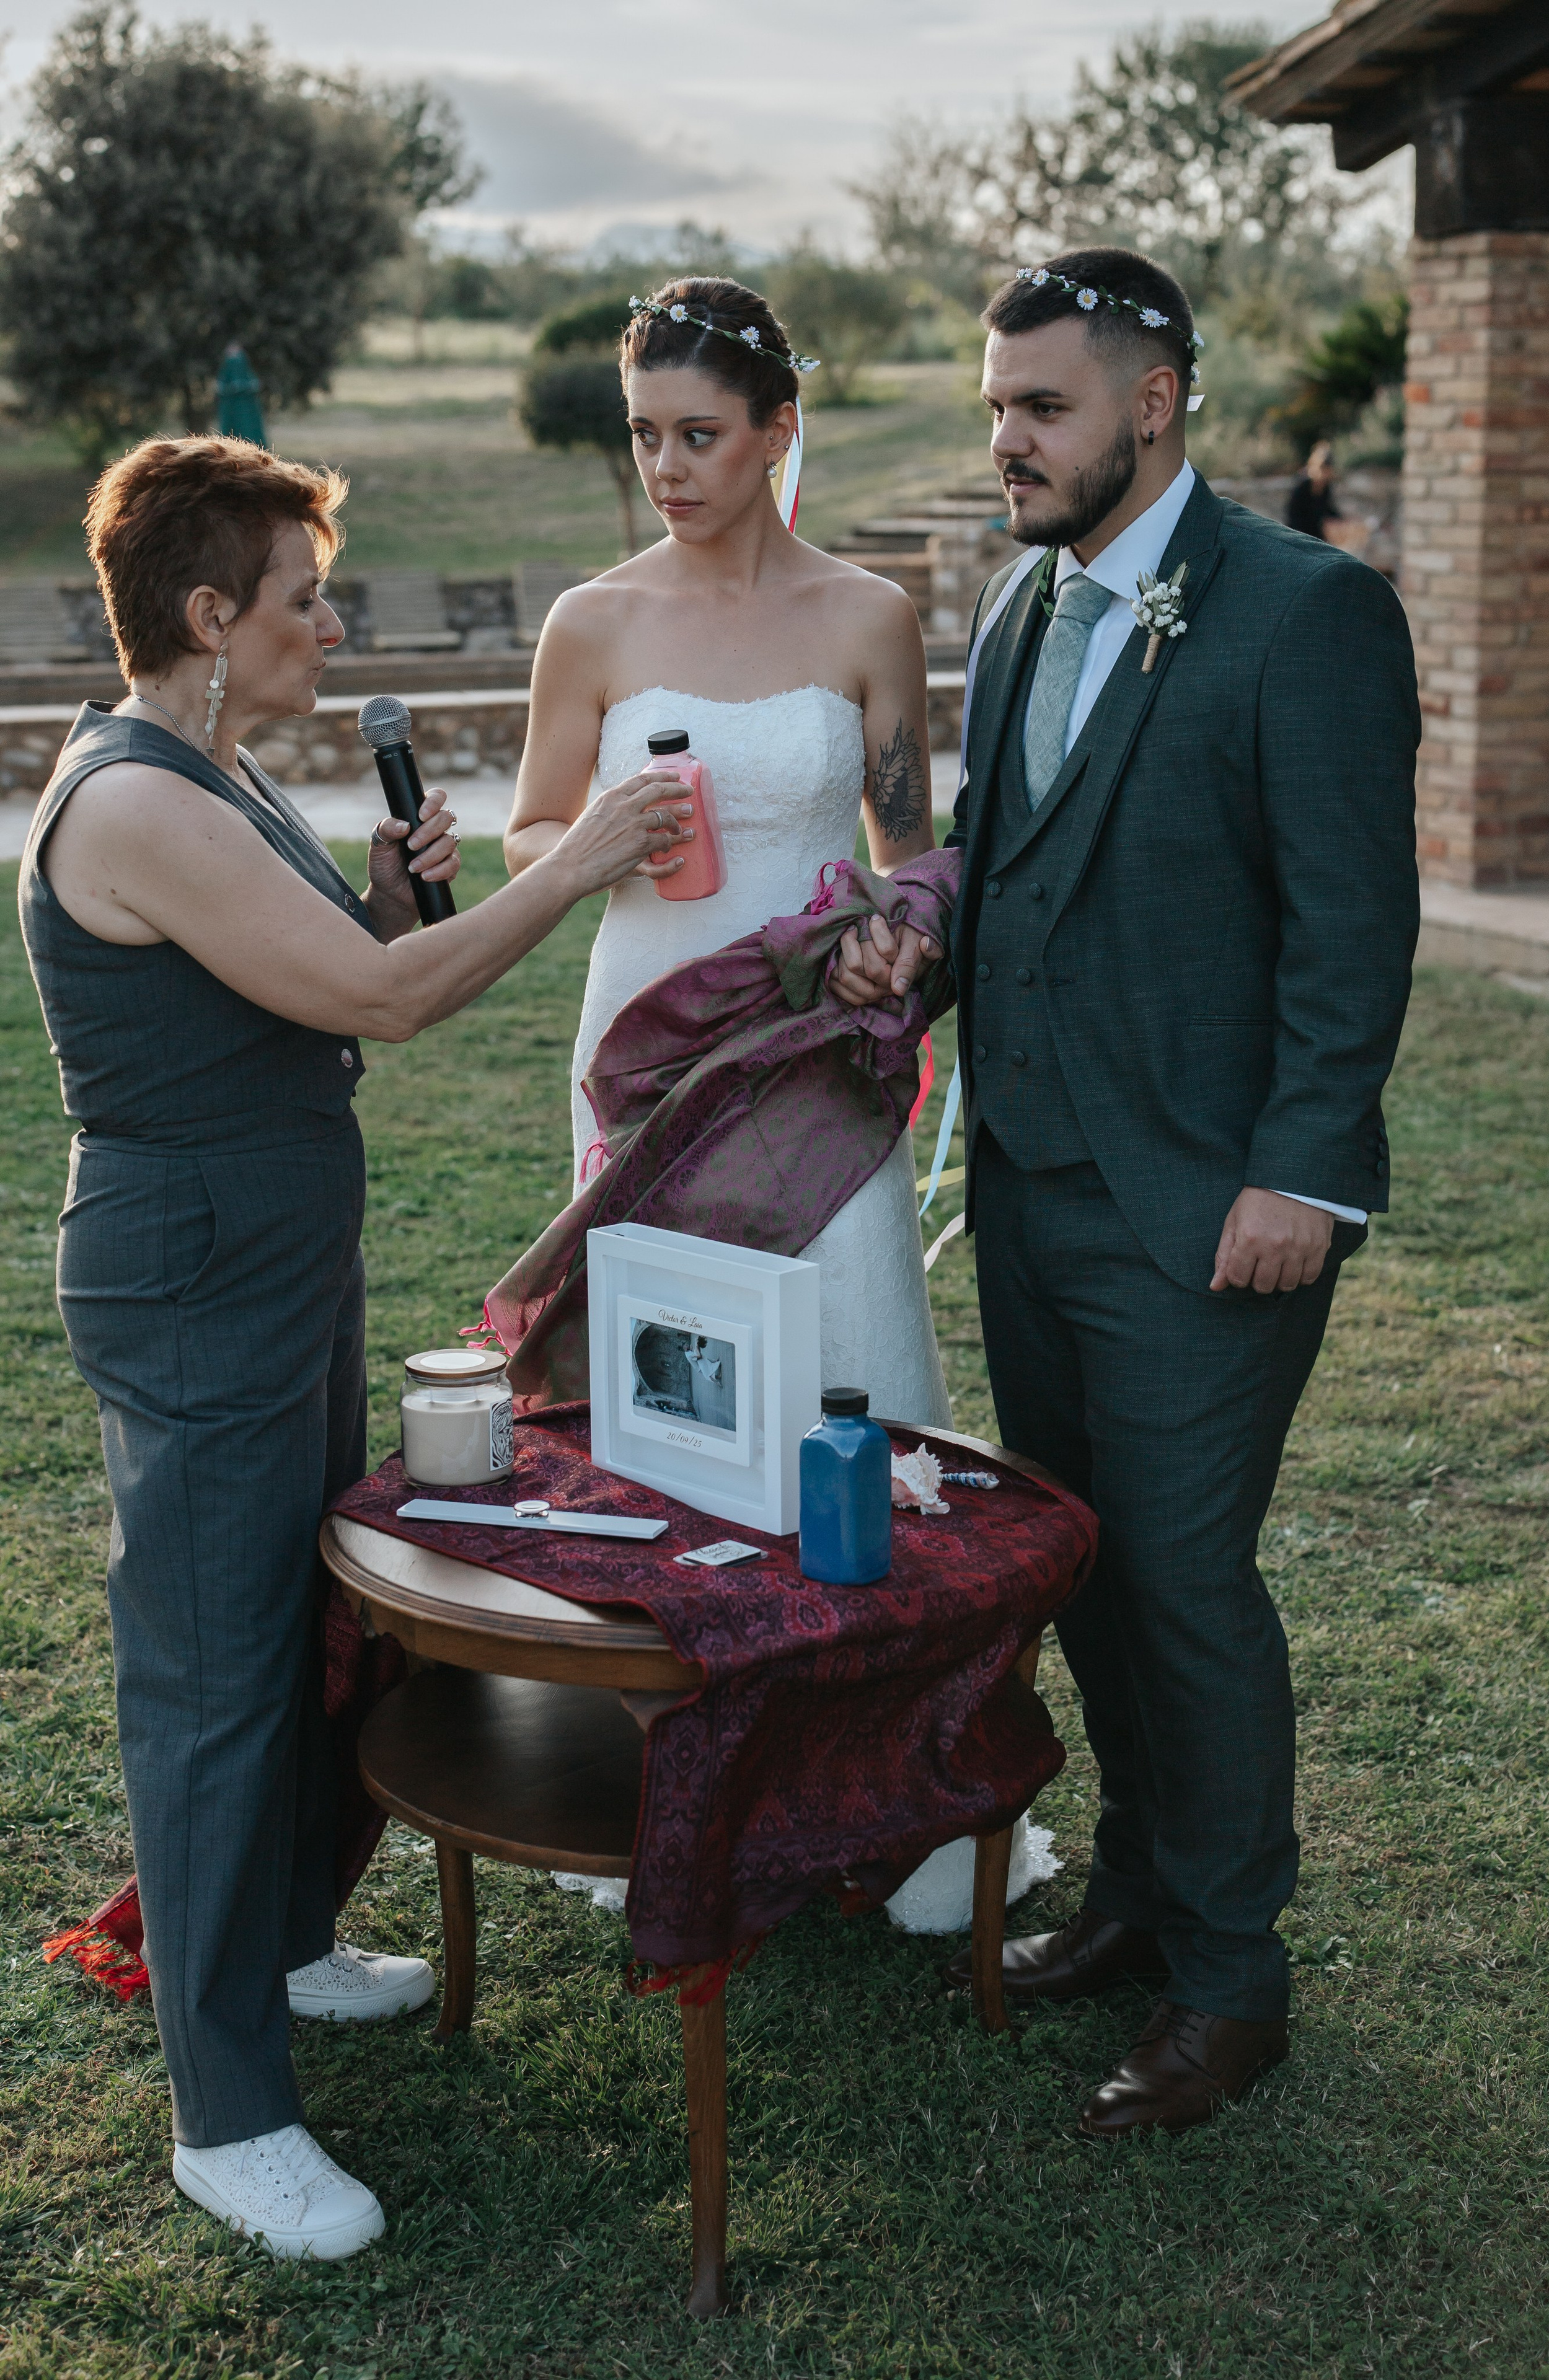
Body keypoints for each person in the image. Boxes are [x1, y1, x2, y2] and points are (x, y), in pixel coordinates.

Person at [18, 435, 684, 2258]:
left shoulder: (212, 766)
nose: (331, 623)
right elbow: (391, 1008)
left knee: (310, 1612)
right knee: (215, 1673)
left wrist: (386, 898)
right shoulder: (136, 797)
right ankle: (226, 2116)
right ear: (209, 613)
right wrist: (578, 863)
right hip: (195, 1266)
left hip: (273, 1244)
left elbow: (341, 971)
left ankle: (295, 1937)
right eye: (305, 596)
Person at [833, 249, 1420, 2135]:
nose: (1004, 439)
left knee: (1183, 1581)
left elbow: (1351, 928)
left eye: (1041, 406)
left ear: (1151, 404)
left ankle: (1235, 1978)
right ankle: (1137, 1892)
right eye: (994, 405)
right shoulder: (1016, 607)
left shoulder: (1302, 613)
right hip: (1031, 1187)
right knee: (1083, 1569)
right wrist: (902, 962)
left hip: (1210, 1210)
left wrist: (1301, 1172)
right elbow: (998, 869)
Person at [502, 276, 951, 1432]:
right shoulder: (590, 623)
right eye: (646, 435)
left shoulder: (869, 618)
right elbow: (530, 835)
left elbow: (908, 855)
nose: (667, 470)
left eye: (700, 436)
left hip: (814, 1032)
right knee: (680, 1372)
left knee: (841, 1320)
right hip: (648, 1030)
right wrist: (600, 845)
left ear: (777, 432)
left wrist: (890, 948)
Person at [1286, 440, 1344, 540]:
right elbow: (1294, 516)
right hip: (1299, 536)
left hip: (1317, 536)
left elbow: (1327, 509)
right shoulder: (1302, 487)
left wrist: (1341, 520)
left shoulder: (1326, 488)